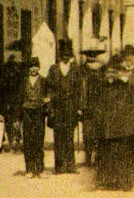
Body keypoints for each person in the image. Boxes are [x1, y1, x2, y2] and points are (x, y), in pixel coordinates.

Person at [95, 53, 134, 191]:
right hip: (109, 127)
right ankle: (110, 181)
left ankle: (124, 181)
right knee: (110, 154)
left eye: (115, 70)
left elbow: (133, 102)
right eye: (110, 71)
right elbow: (100, 105)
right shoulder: (104, 85)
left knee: (124, 154)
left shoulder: (126, 83)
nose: (112, 74)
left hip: (123, 127)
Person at [46, 39, 81, 174]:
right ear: (60, 55)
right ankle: (59, 165)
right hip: (58, 106)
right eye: (63, 54)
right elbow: (49, 89)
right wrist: (50, 107)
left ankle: (70, 164)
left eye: (68, 54)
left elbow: (78, 89)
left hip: (71, 106)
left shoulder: (74, 70)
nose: (66, 57)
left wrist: (78, 107)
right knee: (58, 135)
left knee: (69, 136)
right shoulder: (54, 69)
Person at [78, 38, 107, 166]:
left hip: (100, 105)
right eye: (90, 54)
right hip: (87, 105)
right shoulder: (81, 70)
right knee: (88, 133)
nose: (92, 56)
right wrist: (79, 106)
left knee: (100, 132)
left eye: (94, 54)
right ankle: (88, 158)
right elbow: (78, 88)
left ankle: (99, 157)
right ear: (86, 55)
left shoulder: (103, 69)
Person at [20, 57, 49, 178]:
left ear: (39, 67)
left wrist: (46, 102)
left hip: (39, 112)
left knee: (38, 140)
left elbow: (48, 95)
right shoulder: (24, 81)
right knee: (28, 140)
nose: (33, 69)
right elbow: (20, 97)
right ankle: (30, 168)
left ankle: (39, 168)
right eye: (31, 66)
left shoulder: (43, 81)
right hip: (27, 112)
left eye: (35, 66)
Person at [0, 52, 23, 151]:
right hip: (10, 100)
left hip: (14, 100)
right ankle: (12, 141)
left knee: (15, 121)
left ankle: (15, 141)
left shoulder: (17, 73)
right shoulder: (7, 74)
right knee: (11, 121)